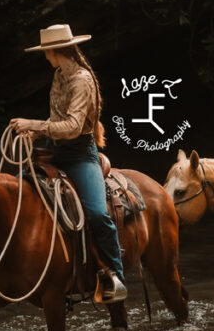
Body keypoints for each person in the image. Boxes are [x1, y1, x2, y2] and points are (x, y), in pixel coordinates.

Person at [9, 24, 127, 303]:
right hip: (56, 151)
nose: (45, 56)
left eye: (45, 51)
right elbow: (56, 121)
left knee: (97, 214)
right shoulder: (59, 75)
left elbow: (74, 126)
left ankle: (116, 276)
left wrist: (34, 124)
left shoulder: (82, 80)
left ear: (53, 51)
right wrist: (35, 131)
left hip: (80, 155)